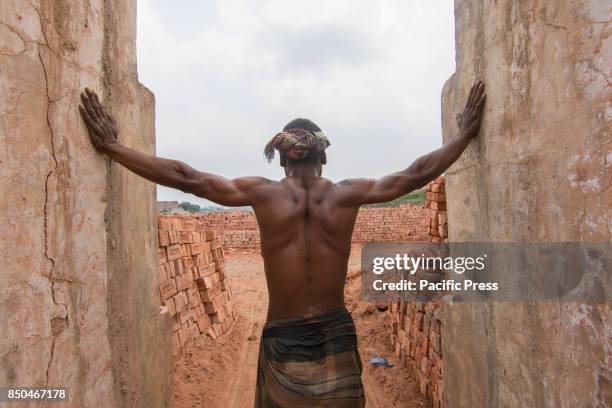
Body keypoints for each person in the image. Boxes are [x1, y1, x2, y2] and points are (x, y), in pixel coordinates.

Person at [79, 81, 486, 408]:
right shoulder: (347, 194)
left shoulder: (263, 194)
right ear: (322, 158)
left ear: (281, 158)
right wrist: (465, 133)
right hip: (335, 334)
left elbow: (187, 177)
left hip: (283, 336)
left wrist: (113, 147)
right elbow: (415, 174)